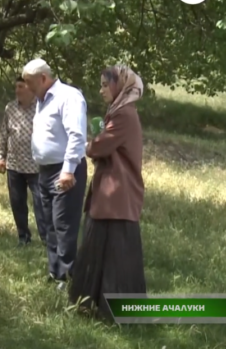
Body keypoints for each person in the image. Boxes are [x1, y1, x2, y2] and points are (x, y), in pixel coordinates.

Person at [69, 65, 146, 320]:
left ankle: (110, 311)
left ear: (119, 86)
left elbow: (101, 146)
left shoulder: (123, 113)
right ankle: (95, 306)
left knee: (114, 253)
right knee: (104, 249)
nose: (101, 90)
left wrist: (86, 144)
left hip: (116, 194)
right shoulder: (118, 110)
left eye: (105, 84)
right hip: (112, 192)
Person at [21, 58, 88, 290]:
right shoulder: (42, 100)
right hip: (46, 171)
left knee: (63, 223)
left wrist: (68, 171)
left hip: (64, 171)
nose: (27, 88)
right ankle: (56, 272)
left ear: (43, 78)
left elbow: (77, 136)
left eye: (29, 83)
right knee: (48, 222)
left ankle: (71, 279)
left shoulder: (68, 97)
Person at [0, 75, 46, 246]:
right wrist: (1, 157)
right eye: (16, 86)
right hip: (14, 165)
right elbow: (4, 133)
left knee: (41, 204)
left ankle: (46, 238)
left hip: (36, 166)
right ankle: (23, 237)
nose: (17, 90)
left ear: (30, 89)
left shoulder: (41, 107)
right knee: (17, 203)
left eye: (21, 86)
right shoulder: (10, 108)